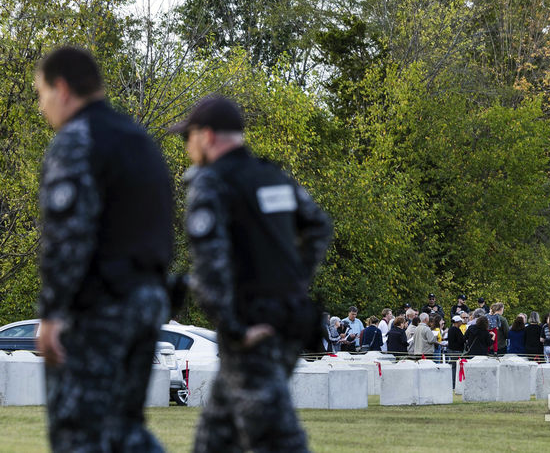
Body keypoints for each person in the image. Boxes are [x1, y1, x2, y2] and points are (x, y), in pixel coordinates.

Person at [35, 47, 173, 452]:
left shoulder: (77, 140)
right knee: (123, 430)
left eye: (41, 94)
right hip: (147, 302)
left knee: (78, 431)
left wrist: (53, 311)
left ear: (62, 88)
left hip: (98, 309)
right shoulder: (141, 142)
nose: (42, 108)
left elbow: (67, 235)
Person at [176, 95, 332, 452]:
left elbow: (209, 266)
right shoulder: (272, 177)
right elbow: (318, 226)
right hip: (290, 320)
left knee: (277, 441)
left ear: (208, 135)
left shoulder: (212, 183)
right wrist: (293, 283)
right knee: (215, 438)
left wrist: (232, 327)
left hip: (251, 331)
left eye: (189, 136)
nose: (187, 145)